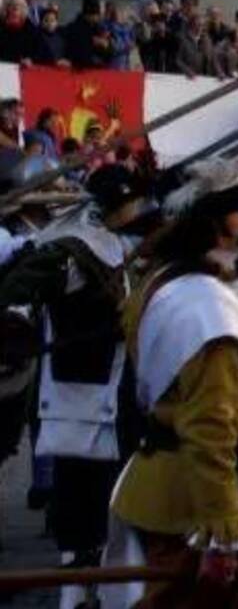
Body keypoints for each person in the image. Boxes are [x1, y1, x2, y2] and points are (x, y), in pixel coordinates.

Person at [107, 159, 238, 608]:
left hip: (174, 487)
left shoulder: (164, 282)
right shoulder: (204, 308)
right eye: (235, 212)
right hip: (196, 504)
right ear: (213, 224)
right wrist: (225, 534)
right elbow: (209, 425)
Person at [0, 163, 159, 609]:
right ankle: (77, 595)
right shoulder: (71, 252)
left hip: (113, 392)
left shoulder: (107, 242)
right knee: (80, 504)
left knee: (115, 502)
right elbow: (19, 291)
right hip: (79, 393)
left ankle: (115, 593)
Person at [64, 0, 114, 70]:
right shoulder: (74, 28)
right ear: (88, 14)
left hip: (97, 72)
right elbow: (76, 52)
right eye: (96, 14)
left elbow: (109, 54)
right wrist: (91, 42)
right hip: (78, 71)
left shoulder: (99, 29)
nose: (99, 17)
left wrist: (106, 46)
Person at [176, 12, 223, 79]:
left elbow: (213, 58)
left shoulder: (207, 40)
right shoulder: (182, 39)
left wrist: (219, 71)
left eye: (203, 25)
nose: (201, 27)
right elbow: (178, 60)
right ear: (192, 25)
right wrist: (187, 71)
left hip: (204, 77)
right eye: (198, 25)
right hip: (186, 78)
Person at [0, 0, 39, 65]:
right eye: (12, 5)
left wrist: (30, 58)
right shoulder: (1, 24)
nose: (15, 7)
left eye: (19, 5)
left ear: (23, 8)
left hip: (22, 67)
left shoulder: (29, 27)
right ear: (7, 7)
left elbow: (37, 49)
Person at [104, 3, 136, 71]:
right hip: (115, 63)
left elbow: (133, 40)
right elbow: (113, 46)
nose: (122, 15)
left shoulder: (127, 27)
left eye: (123, 13)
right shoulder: (109, 27)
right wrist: (126, 46)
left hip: (126, 63)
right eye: (120, 13)